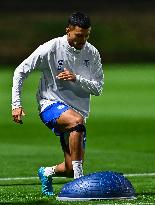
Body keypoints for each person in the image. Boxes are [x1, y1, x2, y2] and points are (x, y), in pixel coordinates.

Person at [12, 12, 104, 196]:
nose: (83, 40)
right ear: (68, 30)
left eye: (87, 35)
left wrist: (76, 78)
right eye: (79, 35)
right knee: (77, 123)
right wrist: (16, 104)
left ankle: (46, 172)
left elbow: (98, 88)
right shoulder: (51, 48)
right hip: (50, 104)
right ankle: (80, 184)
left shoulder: (92, 53)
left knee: (69, 167)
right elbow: (20, 71)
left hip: (76, 111)